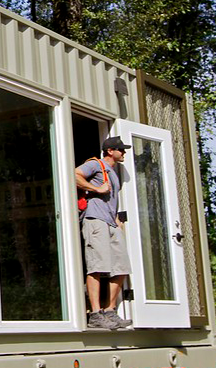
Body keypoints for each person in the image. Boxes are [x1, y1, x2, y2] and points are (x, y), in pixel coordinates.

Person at [75, 136, 133, 330]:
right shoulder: (95, 165)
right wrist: (96, 188)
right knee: (97, 266)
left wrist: (116, 220)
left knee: (121, 266)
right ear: (110, 151)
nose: (124, 153)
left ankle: (110, 311)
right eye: (121, 150)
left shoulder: (113, 173)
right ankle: (95, 314)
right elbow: (74, 175)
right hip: (95, 220)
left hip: (110, 223)